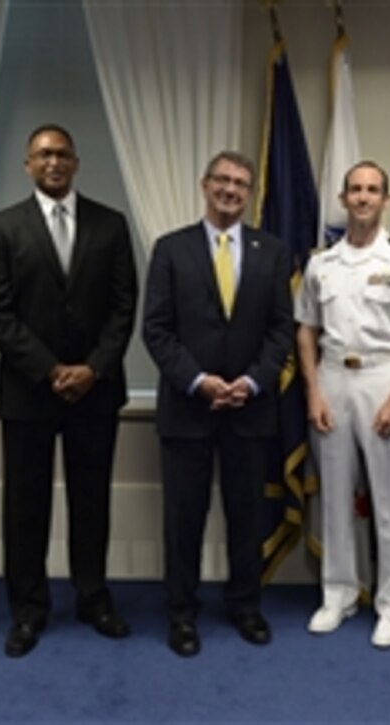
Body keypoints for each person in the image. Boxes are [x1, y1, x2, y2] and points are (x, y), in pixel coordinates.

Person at [0, 124, 138, 657]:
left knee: (91, 502)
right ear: (28, 164)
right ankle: (28, 609)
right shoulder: (2, 228)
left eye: (63, 154)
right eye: (43, 155)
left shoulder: (110, 225)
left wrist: (91, 368)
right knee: (26, 506)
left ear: (76, 162)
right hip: (30, 392)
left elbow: (123, 308)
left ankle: (93, 597)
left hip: (96, 391)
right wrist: (50, 369)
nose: (54, 162)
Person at [142, 150, 293, 657]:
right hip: (188, 409)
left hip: (249, 409)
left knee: (247, 515)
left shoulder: (272, 251)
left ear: (250, 194)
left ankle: (245, 605)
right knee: (184, 518)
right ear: (205, 186)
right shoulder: (170, 249)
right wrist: (200, 380)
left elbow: (280, 331)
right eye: (223, 181)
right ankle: (181, 613)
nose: (231, 190)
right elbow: (156, 330)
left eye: (241, 184)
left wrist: (250, 382)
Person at [296, 161, 390, 649]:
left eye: (372, 190)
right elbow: (306, 331)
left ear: (387, 200)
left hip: (385, 376)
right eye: (355, 189)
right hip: (333, 376)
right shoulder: (321, 263)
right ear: (342, 198)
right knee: (335, 495)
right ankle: (338, 593)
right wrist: (314, 390)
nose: (363, 197)